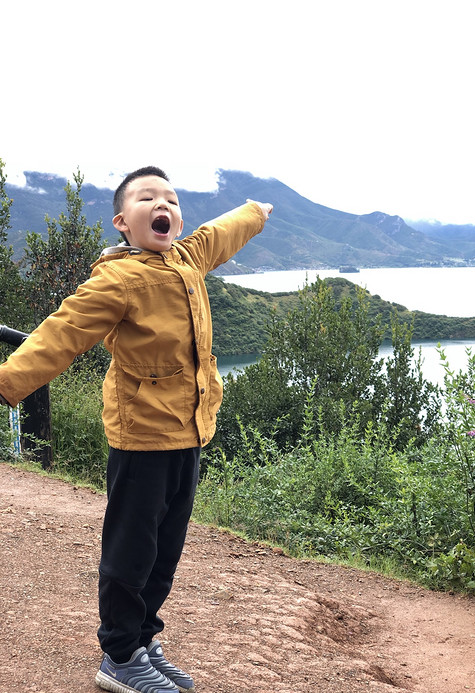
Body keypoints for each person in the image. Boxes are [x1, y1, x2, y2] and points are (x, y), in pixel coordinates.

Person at [0, 166, 273, 693]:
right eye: (147, 197)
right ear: (123, 222)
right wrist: (7, 382)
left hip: (190, 431)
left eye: (170, 197)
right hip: (142, 436)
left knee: (165, 548)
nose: (162, 202)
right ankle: (119, 656)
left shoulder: (186, 259)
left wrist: (254, 213)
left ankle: (144, 638)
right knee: (132, 548)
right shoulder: (118, 279)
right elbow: (62, 333)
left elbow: (218, 235)